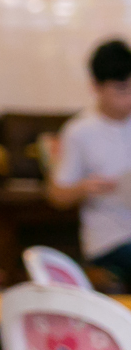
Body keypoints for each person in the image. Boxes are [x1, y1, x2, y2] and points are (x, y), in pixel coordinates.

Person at [49, 40, 131, 290]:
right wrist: (85, 187)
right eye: (121, 89)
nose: (129, 97)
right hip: (108, 242)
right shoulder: (79, 132)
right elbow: (56, 195)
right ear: (96, 86)